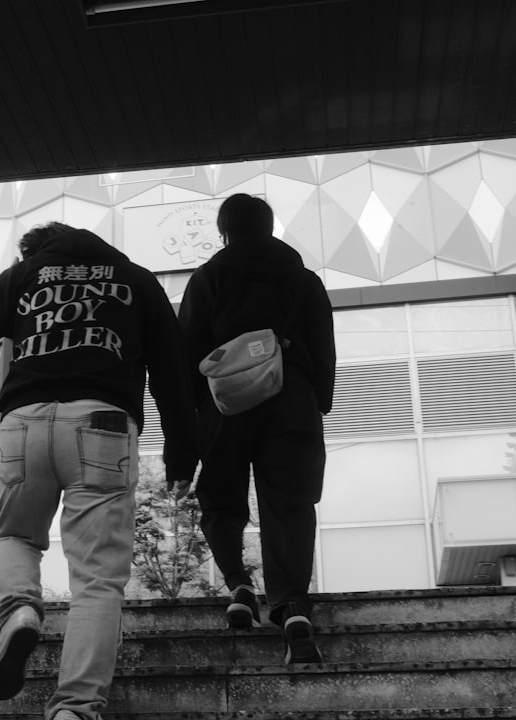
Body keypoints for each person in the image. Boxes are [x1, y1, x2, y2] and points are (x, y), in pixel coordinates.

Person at [0, 221, 198, 720]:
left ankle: (18, 609)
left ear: (38, 251)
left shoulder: (26, 276)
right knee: (97, 580)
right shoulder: (138, 280)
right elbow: (174, 376)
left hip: (24, 422)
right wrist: (181, 458)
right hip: (101, 424)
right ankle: (75, 708)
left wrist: (25, 281)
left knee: (17, 535)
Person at [176, 194, 335, 664]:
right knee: (289, 502)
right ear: (270, 227)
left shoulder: (208, 278)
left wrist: (192, 414)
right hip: (292, 399)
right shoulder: (304, 280)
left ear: (224, 232)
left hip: (225, 405)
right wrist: (316, 402)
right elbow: (323, 346)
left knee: (221, 501)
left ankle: (239, 586)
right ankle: (291, 607)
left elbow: (186, 351)